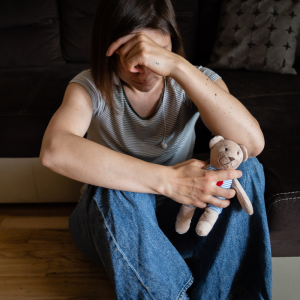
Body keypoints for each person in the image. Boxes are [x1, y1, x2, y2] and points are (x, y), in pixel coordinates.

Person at [39, 0, 272, 299]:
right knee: (114, 189)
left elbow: (252, 144)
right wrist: (170, 180)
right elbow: (54, 150)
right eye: (134, 54)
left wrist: (178, 66)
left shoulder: (192, 78)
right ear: (110, 48)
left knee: (247, 169)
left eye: (157, 53)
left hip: (181, 222)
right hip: (110, 227)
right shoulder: (90, 86)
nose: (147, 67)